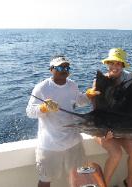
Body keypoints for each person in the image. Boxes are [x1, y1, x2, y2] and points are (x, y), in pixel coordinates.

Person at [26, 55, 99, 187]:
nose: (64, 70)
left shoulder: (72, 85)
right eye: (60, 67)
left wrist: (87, 95)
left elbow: (79, 101)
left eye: (66, 67)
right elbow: (30, 112)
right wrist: (43, 108)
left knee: (81, 178)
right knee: (45, 181)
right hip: (50, 145)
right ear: (51, 69)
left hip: (73, 142)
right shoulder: (42, 88)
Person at [92, 47, 132, 187]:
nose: (115, 67)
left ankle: (129, 182)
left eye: (118, 64)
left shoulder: (127, 77)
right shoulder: (99, 82)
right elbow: (95, 112)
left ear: (122, 65)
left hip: (120, 127)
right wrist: (103, 132)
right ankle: (104, 185)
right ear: (107, 63)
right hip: (102, 128)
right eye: (112, 63)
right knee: (116, 155)